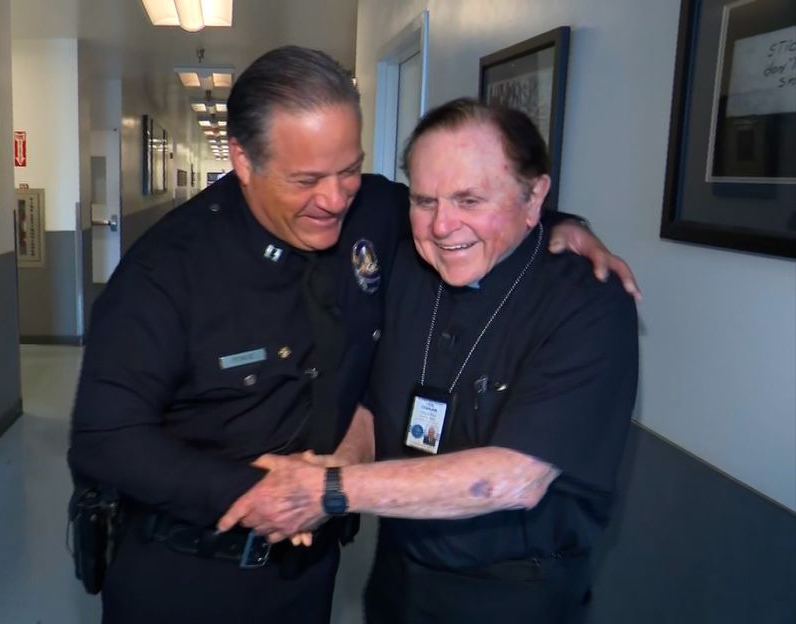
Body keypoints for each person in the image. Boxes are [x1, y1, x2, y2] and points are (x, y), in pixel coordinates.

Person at [70, 46, 636, 624]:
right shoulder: (165, 272)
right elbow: (102, 438)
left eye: (348, 170)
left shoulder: (378, 213)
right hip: (188, 577)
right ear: (242, 159)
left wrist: (569, 227)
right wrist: (260, 491)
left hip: (315, 574)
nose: (335, 198)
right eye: (307, 179)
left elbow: (484, 203)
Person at [217, 98, 640, 623]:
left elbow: (515, 479)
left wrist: (328, 490)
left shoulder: (588, 302)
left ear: (534, 199)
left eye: (469, 199)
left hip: (511, 595)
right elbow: (373, 407)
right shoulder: (407, 270)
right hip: (397, 575)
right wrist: (339, 462)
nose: (442, 226)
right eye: (425, 201)